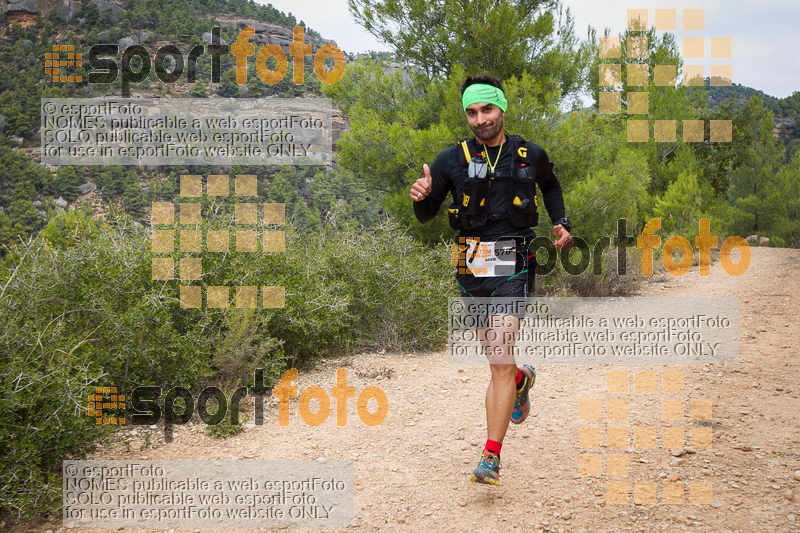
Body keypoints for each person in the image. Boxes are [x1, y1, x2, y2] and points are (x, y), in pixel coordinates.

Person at [410, 75, 573, 486]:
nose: (480, 119)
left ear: (502, 108)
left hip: (514, 260)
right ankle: (522, 380)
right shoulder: (451, 159)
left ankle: (491, 456)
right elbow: (428, 216)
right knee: (499, 361)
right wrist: (421, 198)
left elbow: (551, 188)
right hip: (470, 265)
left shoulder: (530, 154)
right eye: (471, 112)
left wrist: (561, 223)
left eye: (487, 110)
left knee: (499, 359)